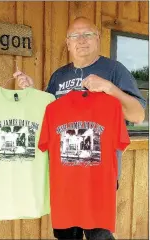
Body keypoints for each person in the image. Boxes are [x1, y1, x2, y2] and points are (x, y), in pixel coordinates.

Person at [13, 17, 146, 240]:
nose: (81, 40)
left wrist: (109, 88)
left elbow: (138, 115)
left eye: (87, 34)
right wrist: (31, 90)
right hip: (64, 174)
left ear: (98, 38)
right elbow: (47, 112)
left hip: (98, 175)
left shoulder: (114, 70)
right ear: (67, 42)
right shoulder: (59, 76)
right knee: (65, 234)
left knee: (98, 235)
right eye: (75, 36)